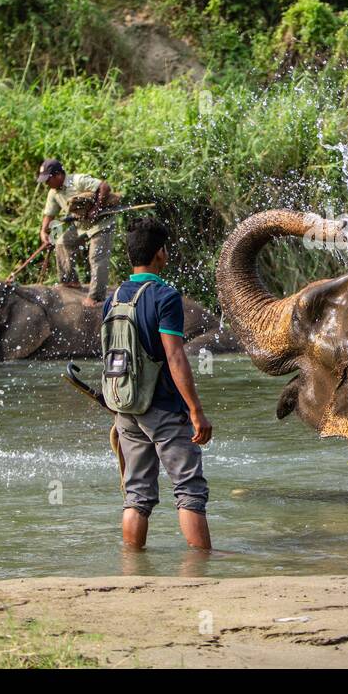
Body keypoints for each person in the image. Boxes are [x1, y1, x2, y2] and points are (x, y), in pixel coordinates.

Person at [103, 217, 214, 550]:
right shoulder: (165, 297)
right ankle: (201, 565)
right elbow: (175, 357)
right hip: (163, 406)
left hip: (126, 405)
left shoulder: (115, 297)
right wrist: (195, 410)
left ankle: (133, 565)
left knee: (137, 494)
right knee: (189, 488)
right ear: (159, 254)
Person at [37, 158, 116, 307]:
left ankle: (96, 297)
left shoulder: (78, 181)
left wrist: (96, 208)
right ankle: (69, 281)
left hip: (101, 223)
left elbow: (104, 187)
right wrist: (43, 232)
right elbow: (49, 214)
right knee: (62, 242)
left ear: (59, 175)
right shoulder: (53, 193)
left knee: (96, 256)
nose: (46, 183)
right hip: (81, 225)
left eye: (48, 179)